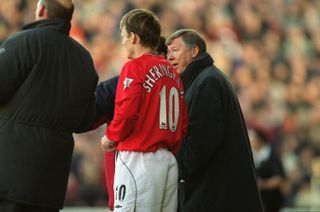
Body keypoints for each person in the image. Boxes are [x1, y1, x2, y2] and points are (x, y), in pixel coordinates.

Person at [0, 0, 98, 211]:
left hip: (9, 177)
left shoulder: (23, 42)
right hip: (51, 184)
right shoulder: (84, 59)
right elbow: (85, 120)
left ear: (41, 9)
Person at [166, 29, 264, 212]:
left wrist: (178, 169)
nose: (169, 57)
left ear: (194, 51)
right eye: (168, 52)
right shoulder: (202, 79)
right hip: (215, 192)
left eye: (175, 50)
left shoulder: (206, 82)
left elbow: (201, 142)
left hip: (215, 195)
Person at [100, 9, 188, 212]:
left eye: (123, 36)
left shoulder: (134, 67)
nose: (122, 42)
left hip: (139, 159)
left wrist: (111, 136)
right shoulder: (172, 73)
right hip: (167, 161)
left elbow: (127, 112)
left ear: (133, 37)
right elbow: (183, 124)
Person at [93, 36, 168, 211]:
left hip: (131, 175)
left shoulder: (119, 84)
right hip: (165, 171)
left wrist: (110, 136)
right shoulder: (179, 83)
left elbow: (85, 118)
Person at [249, 128, 285, 212]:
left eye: (252, 138)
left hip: (271, 200)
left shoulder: (271, 155)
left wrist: (264, 184)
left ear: (259, 140)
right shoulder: (252, 155)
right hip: (257, 199)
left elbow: (278, 178)